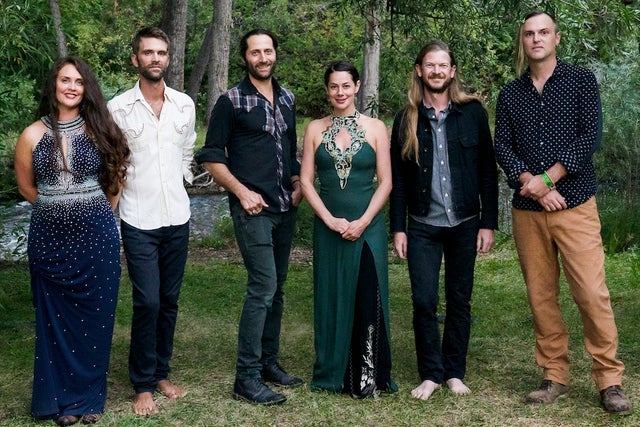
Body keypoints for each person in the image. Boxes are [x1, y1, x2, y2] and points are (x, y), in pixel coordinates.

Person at [494, 11, 632, 414]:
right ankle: (554, 375)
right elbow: (502, 146)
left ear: (556, 38)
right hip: (528, 210)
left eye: (543, 32)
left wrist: (549, 179)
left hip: (575, 206)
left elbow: (590, 136)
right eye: (529, 34)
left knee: (591, 293)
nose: (536, 39)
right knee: (541, 297)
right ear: (522, 41)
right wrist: (532, 184)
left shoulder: (580, 80)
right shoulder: (510, 94)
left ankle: (609, 380)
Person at [14, 56, 129, 426]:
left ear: (86, 88)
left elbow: (115, 178)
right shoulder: (31, 135)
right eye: (65, 80)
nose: (72, 87)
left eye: (79, 82)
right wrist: (57, 207)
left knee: (95, 319)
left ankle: (89, 398)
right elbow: (26, 187)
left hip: (97, 238)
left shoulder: (101, 130)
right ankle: (59, 399)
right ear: (54, 84)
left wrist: (92, 210)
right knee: (53, 321)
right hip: (49, 241)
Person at [195, 28, 303, 406]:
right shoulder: (231, 101)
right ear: (245, 57)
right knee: (263, 287)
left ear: (275, 54)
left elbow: (289, 150)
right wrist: (241, 192)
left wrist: (297, 182)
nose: (263, 58)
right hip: (252, 210)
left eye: (268, 51)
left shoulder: (288, 98)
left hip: (285, 207)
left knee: (278, 288)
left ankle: (269, 363)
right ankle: (246, 377)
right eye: (255, 52)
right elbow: (210, 155)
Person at [389, 41, 499, 401]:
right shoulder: (406, 118)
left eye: (443, 66)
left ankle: (453, 372)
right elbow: (398, 180)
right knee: (424, 300)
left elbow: (487, 170)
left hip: (465, 222)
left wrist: (488, 222)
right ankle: (430, 374)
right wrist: (398, 228)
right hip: (423, 224)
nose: (436, 71)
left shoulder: (472, 113)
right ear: (419, 70)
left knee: (459, 299)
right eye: (430, 65)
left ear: (452, 71)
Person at [107, 26, 196, 416]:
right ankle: (142, 384)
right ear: (135, 59)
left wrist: (182, 179)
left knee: (169, 301)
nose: (155, 58)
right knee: (147, 301)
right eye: (148, 52)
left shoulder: (184, 105)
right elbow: (113, 162)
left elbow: (187, 148)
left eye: (161, 52)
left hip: (178, 216)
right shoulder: (118, 109)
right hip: (138, 218)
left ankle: (161, 373)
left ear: (168, 58)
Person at [300, 60, 397, 398]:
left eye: (346, 85)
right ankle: (333, 373)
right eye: (333, 86)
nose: (340, 92)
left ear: (356, 86)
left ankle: (368, 375)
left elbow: (386, 182)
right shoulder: (314, 129)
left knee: (368, 293)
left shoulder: (376, 127)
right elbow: (306, 181)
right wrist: (329, 220)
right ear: (327, 90)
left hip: (368, 226)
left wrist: (364, 221)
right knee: (331, 295)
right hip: (329, 227)